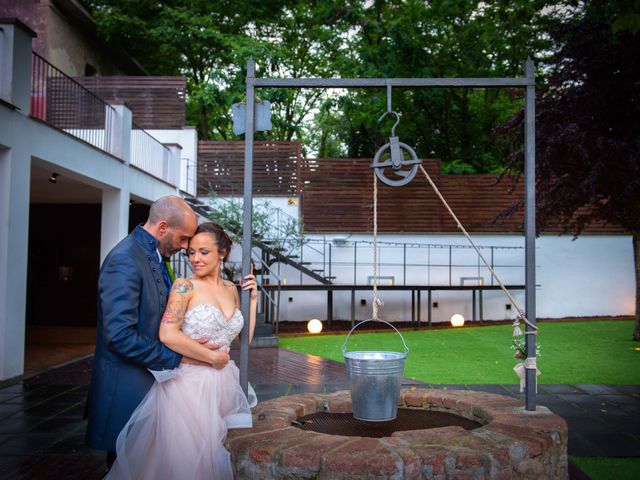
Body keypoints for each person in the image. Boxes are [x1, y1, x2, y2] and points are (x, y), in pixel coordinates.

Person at [105, 222, 258, 480]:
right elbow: (168, 334)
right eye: (191, 253)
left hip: (224, 383)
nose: (195, 259)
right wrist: (211, 357)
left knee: (217, 454)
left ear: (222, 253)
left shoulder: (232, 289)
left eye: (203, 252)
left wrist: (252, 301)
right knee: (187, 464)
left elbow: (245, 339)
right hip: (189, 387)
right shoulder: (184, 287)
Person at [86, 195, 203, 470]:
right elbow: (119, 336)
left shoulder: (153, 253)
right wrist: (178, 358)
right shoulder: (125, 260)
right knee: (125, 469)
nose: (186, 247)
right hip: (127, 390)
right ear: (163, 228)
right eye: (184, 238)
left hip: (149, 385)